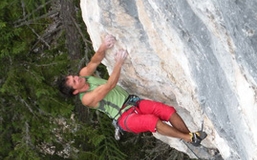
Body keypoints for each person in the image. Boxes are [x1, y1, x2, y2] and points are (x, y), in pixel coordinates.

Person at [58, 35, 206, 146]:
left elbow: (95, 60)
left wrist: (104, 46)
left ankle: (192, 138)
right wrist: (119, 63)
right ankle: (189, 138)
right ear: (75, 91)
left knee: (168, 111)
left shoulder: (85, 75)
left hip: (134, 102)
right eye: (74, 81)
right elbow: (109, 85)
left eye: (73, 77)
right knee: (152, 121)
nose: (76, 78)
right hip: (124, 118)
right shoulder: (87, 99)